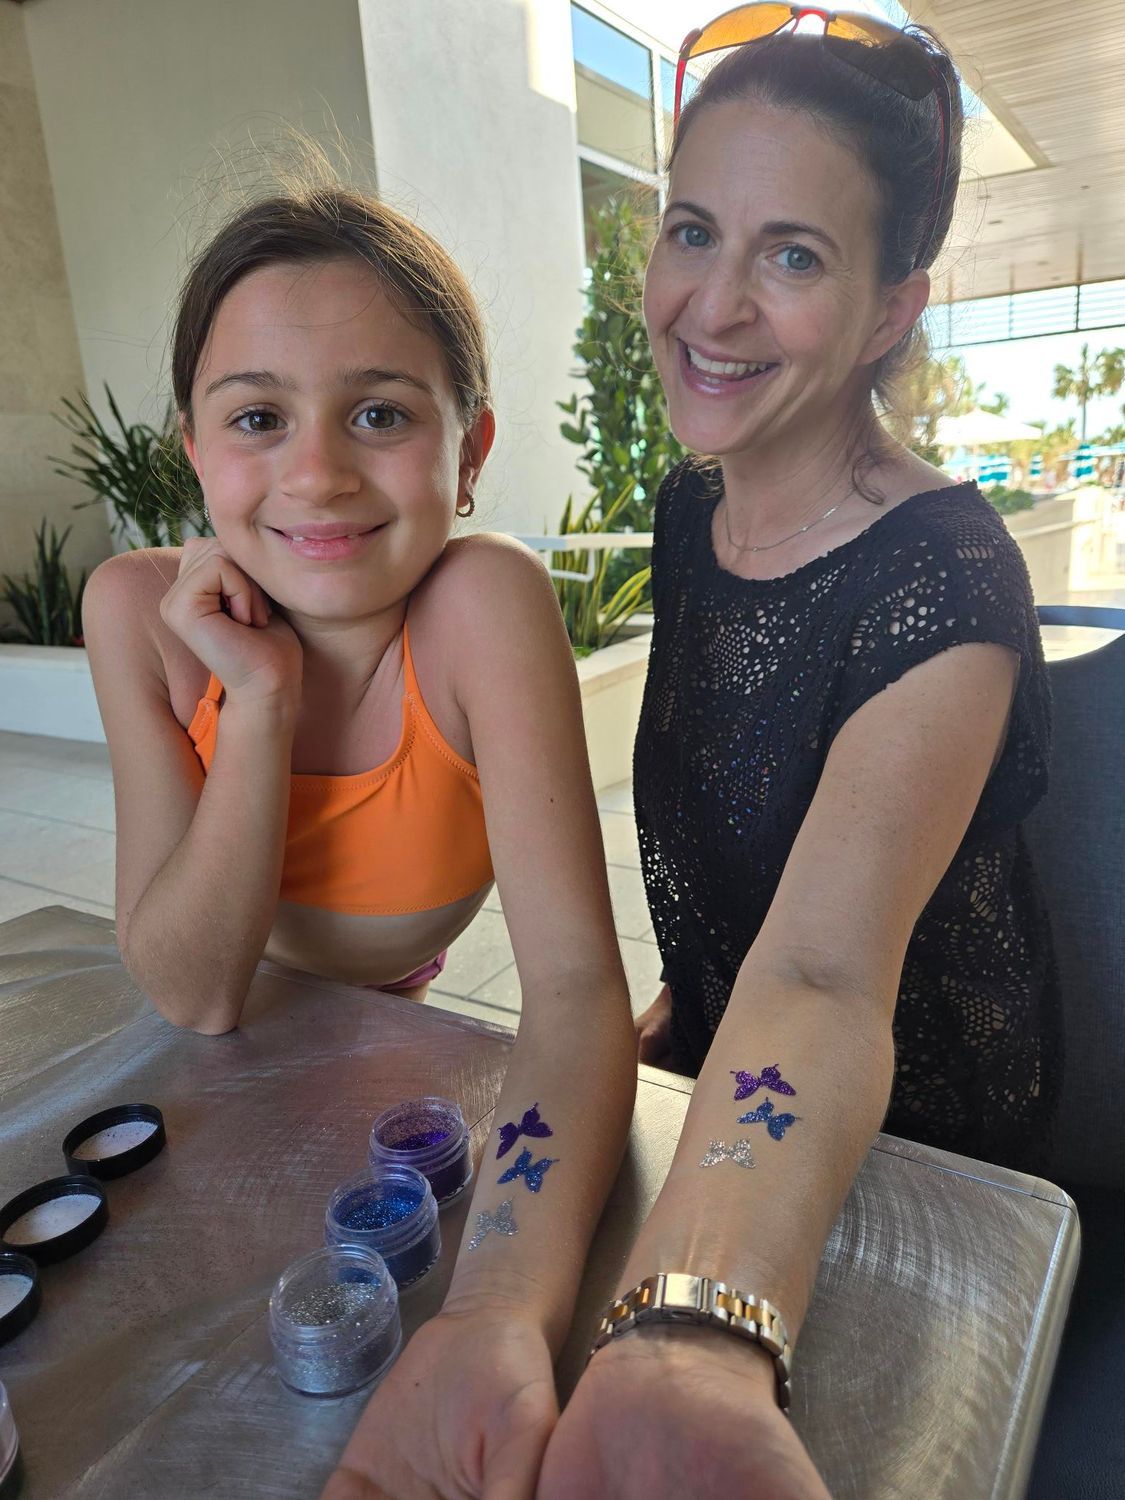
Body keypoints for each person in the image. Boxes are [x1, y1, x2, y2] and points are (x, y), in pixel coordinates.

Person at [537, 14, 1056, 1499]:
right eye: (692, 230)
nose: (712, 304)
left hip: (922, 1154)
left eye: (794, 256)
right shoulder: (687, 513)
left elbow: (825, 971)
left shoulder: (942, 577)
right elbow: (739, 855)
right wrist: (674, 1015)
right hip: (718, 1072)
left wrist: (694, 1337)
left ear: (892, 308)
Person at [82, 186, 636, 1497]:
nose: (318, 473)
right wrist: (259, 701)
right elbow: (194, 991)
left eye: (380, 414)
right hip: (229, 1068)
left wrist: (497, 1312)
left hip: (394, 1044)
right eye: (257, 418)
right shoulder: (139, 616)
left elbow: (571, 990)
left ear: (469, 447)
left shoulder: (481, 607)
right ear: (194, 451)